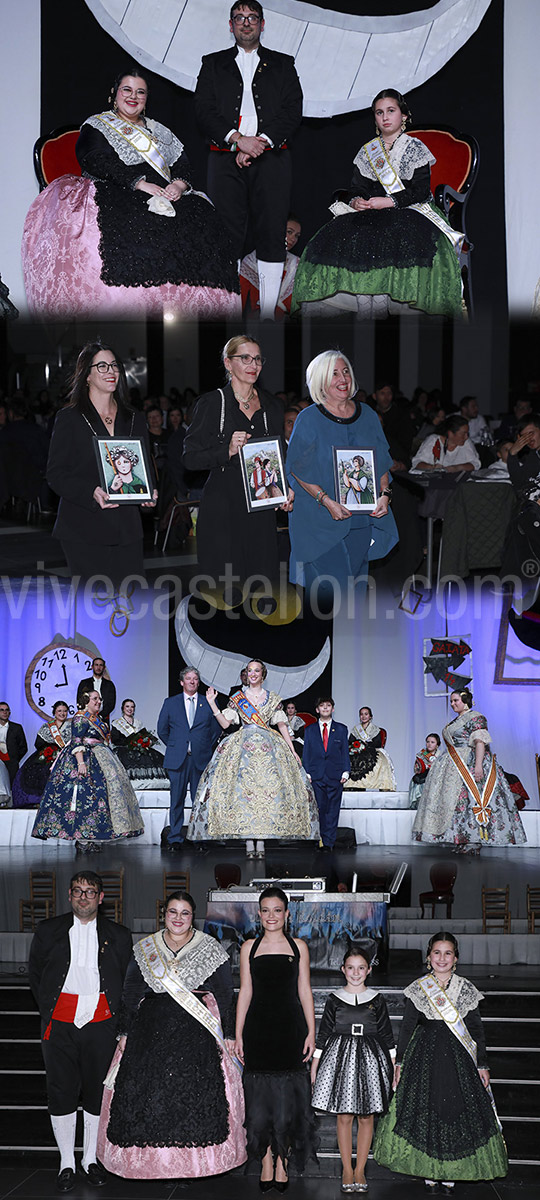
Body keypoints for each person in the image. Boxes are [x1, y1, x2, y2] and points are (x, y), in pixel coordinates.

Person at [22, 68, 240, 318]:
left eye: (141, 92)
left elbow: (182, 164)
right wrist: (139, 183)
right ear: (115, 94)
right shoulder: (97, 125)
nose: (133, 96)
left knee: (202, 215)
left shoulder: (161, 131)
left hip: (164, 192)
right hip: (115, 188)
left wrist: (178, 185)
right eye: (127, 89)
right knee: (137, 222)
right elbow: (95, 159)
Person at [97, 890, 246, 1178]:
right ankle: (159, 1166)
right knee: (153, 1097)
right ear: (164, 914)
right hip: (151, 1032)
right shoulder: (146, 948)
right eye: (173, 912)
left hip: (196, 1033)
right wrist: (125, 1031)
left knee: (193, 1096)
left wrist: (227, 1034)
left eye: (185, 913)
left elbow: (225, 993)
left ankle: (191, 1166)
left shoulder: (210, 948)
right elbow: (131, 992)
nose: (178, 918)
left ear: (193, 918)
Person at [291, 89, 463, 318]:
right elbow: (358, 186)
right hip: (373, 210)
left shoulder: (415, 148)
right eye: (379, 112)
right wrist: (357, 200)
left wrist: (390, 201)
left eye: (391, 111)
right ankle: (364, 303)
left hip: (411, 208)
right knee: (346, 235)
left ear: (403, 116)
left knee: (394, 234)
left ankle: (385, 300)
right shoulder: (368, 150)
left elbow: (420, 191)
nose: (385, 117)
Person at [373, 932, 508, 1188]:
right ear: (428, 957)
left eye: (448, 953)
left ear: (455, 958)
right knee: (426, 1108)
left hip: (459, 1058)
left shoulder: (465, 988)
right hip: (424, 1055)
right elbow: (408, 1026)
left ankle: (450, 1171)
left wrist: (482, 1064)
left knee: (455, 1109)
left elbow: (476, 1029)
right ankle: (429, 1168)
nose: (442, 958)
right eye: (437, 952)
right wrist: (399, 1063)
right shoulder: (419, 988)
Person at [195, 3, 303, 319]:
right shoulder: (212, 65)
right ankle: (227, 309)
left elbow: (292, 111)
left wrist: (260, 142)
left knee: (272, 231)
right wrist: (237, 140)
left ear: (261, 24)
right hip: (223, 157)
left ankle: (268, 315)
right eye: (240, 18)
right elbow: (204, 111)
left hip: (272, 157)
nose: (246, 23)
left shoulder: (283, 65)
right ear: (231, 25)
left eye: (252, 18)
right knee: (225, 234)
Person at [28, 870, 133, 1192]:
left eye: (90, 892)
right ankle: (66, 1163)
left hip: (101, 1023)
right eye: (77, 891)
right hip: (59, 1024)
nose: (83, 897)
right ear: (69, 895)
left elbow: (125, 980)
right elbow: (36, 975)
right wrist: (49, 1012)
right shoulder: (48, 930)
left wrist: (119, 1023)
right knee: (61, 1090)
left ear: (101, 898)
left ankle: (90, 1159)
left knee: (95, 1091)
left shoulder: (119, 934)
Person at [181, 335, 290, 595]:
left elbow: (281, 455)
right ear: (228, 364)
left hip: (261, 511)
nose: (253, 364)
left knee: (263, 589)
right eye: (245, 358)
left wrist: (286, 490)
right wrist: (226, 450)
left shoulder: (273, 406)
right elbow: (189, 457)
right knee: (226, 592)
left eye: (258, 359)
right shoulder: (212, 403)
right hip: (223, 511)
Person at [286, 351, 398, 600]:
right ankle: (322, 638)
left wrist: (384, 495)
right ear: (320, 380)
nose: (343, 378)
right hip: (320, 519)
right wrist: (326, 501)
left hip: (360, 519)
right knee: (330, 592)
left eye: (345, 371)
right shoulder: (308, 419)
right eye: (334, 373)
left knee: (355, 591)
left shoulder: (367, 414)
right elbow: (296, 468)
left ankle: (348, 639)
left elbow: (380, 461)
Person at [47, 344, 157, 588]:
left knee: (130, 603)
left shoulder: (134, 417)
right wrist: (90, 492)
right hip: (83, 527)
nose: (111, 371)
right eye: (102, 366)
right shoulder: (70, 418)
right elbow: (55, 474)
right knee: (94, 607)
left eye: (115, 365)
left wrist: (149, 494)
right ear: (87, 375)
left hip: (127, 528)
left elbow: (144, 467)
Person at [187, 658, 319, 859]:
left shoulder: (273, 698)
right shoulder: (238, 698)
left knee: (266, 793)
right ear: (246, 675)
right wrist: (213, 704)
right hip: (243, 748)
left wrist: (292, 751)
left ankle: (262, 841)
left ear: (263, 675)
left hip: (269, 748)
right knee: (245, 794)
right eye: (250, 671)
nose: (253, 674)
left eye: (257, 670)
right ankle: (249, 841)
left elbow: (282, 725)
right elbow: (225, 724)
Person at [235, 887, 317, 1188]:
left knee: (287, 1104)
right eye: (266, 910)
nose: (272, 915)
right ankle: (266, 1158)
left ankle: (283, 1161)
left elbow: (304, 991)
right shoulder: (249, 948)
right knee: (259, 1104)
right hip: (258, 1030)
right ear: (259, 914)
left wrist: (311, 1031)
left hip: (290, 1030)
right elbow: (245, 992)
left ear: (287, 914)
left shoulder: (298, 947)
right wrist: (239, 1033)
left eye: (277, 910)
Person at [311, 944, 394, 1193]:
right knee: (344, 1115)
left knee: (367, 1116)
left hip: (370, 1058)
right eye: (350, 968)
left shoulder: (377, 999)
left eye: (360, 968)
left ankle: (360, 1170)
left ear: (368, 970)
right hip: (341, 1057)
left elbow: (387, 1034)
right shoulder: (335, 999)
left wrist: (392, 1067)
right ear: (342, 970)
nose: (355, 973)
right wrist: (315, 1064)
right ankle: (347, 1168)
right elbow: (324, 1033)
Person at [412, 689, 526, 853]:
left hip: (470, 761)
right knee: (457, 802)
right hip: (452, 763)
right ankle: (461, 838)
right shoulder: (454, 721)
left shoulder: (476, 717)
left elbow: (480, 742)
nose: (452, 704)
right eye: (451, 701)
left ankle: (474, 840)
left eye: (456, 700)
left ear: (465, 701)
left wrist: (478, 765)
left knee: (471, 799)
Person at [31, 690, 144, 850]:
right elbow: (77, 741)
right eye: (95, 699)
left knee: (97, 800)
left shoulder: (98, 719)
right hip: (84, 759)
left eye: (100, 699)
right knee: (82, 799)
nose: (99, 701)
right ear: (86, 701)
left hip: (100, 758)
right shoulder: (80, 717)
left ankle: (91, 836)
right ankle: (82, 839)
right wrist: (81, 763)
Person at [157, 667, 221, 852]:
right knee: (176, 799)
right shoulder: (170, 703)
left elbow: (215, 729)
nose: (192, 681)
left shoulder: (207, 702)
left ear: (198, 682)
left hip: (200, 759)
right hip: (178, 759)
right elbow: (162, 730)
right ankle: (175, 838)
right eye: (188, 678)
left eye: (195, 679)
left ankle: (199, 837)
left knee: (199, 801)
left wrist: (202, 746)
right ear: (181, 682)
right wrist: (178, 746)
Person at [302, 697, 350, 850]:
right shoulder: (309, 730)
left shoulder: (341, 729)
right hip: (316, 775)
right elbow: (307, 752)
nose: (325, 708)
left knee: (333, 809)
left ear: (333, 709)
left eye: (328, 706)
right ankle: (320, 839)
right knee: (319, 808)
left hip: (335, 774)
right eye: (322, 706)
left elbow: (345, 752)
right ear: (317, 710)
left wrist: (346, 771)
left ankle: (329, 842)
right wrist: (307, 772)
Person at [11, 701, 72, 809]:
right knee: (36, 770)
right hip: (47, 755)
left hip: (65, 754)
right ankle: (39, 800)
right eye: (59, 711)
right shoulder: (46, 727)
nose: (62, 713)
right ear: (54, 712)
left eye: (65, 711)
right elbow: (38, 743)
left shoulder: (71, 727)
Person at [240, 214, 302, 317]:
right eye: (289, 232)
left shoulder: (296, 264)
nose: (293, 239)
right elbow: (240, 303)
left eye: (297, 236)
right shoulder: (251, 262)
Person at [111, 698, 167, 786]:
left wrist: (148, 741)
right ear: (123, 708)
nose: (130, 709)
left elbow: (144, 735)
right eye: (127, 706)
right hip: (124, 749)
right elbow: (114, 739)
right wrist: (130, 742)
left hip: (138, 748)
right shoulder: (117, 723)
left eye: (132, 707)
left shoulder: (138, 722)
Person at [344, 706, 396, 792]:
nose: (363, 716)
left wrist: (365, 745)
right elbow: (350, 742)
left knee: (379, 760)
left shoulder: (375, 729)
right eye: (361, 714)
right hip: (357, 751)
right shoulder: (356, 729)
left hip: (371, 750)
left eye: (366, 714)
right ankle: (352, 786)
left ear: (370, 716)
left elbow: (377, 743)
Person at [411, 414, 481, 473]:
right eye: (463, 434)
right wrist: (433, 467)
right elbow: (417, 463)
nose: (466, 437)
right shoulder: (434, 440)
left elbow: (475, 464)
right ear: (450, 433)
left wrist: (456, 468)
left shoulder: (466, 443)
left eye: (467, 433)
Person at [77, 657, 116, 723]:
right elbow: (80, 700)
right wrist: (88, 715)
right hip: (86, 719)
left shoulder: (109, 684)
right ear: (92, 667)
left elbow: (111, 703)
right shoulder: (84, 683)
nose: (98, 667)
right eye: (96, 665)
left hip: (103, 719)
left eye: (101, 665)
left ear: (104, 668)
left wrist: (100, 715)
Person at [408, 733, 441, 809]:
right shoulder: (421, 754)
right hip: (422, 776)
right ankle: (417, 802)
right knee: (416, 780)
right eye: (428, 742)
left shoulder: (441, 756)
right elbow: (416, 770)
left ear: (437, 745)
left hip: (435, 777)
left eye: (432, 742)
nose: (429, 744)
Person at [0, 700, 28, 785]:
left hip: (11, 764)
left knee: (12, 787)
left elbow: (23, 747)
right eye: (2, 710)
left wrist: (14, 759)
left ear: (9, 712)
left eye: (7, 710)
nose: (5, 712)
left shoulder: (17, 728)